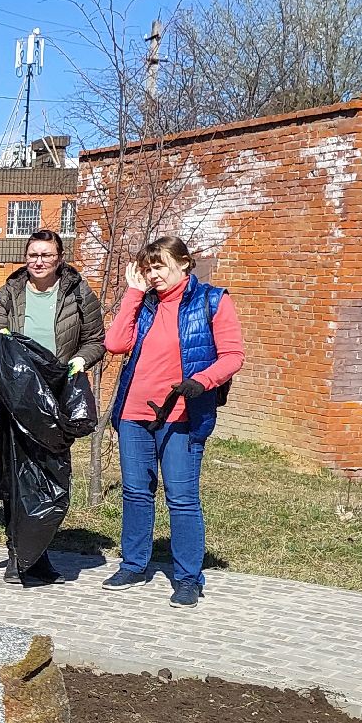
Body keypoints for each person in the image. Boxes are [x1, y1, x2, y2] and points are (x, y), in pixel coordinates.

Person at [103, 237, 244, 609]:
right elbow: (116, 343)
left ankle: (187, 578)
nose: (153, 274)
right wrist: (132, 295)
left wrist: (201, 383)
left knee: (181, 499)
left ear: (184, 263)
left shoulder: (212, 300)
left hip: (182, 414)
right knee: (136, 492)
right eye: (147, 268)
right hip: (134, 412)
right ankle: (134, 565)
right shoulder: (145, 302)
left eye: (160, 265)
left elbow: (233, 356)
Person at [0, 229, 104, 583]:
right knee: (17, 479)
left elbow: (95, 340)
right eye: (33, 254)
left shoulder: (77, 293)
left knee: (52, 478)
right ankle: (16, 555)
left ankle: (40, 552)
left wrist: (80, 361)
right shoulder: (9, 292)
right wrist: (0, 342)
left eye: (46, 255)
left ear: (59, 258)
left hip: (57, 400)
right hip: (17, 400)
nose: (38, 261)